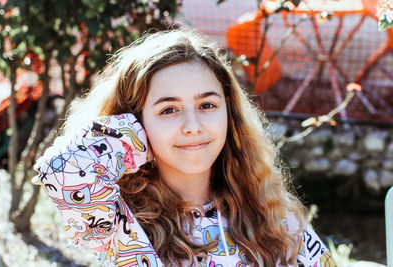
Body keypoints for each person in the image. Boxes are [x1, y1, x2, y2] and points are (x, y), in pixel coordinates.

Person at [32, 29, 337, 267]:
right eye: (169, 110)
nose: (193, 125)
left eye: (207, 105)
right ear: (134, 119)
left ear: (228, 113)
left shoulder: (272, 212)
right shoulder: (118, 224)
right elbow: (65, 168)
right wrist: (143, 138)